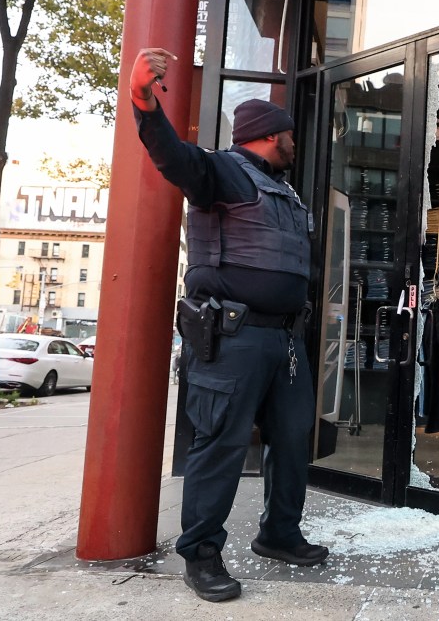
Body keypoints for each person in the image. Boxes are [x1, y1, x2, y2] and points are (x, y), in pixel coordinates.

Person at [129, 48, 327, 603]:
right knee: (220, 445)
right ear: (271, 134)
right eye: (289, 134)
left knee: (291, 439)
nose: (294, 143)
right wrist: (143, 98)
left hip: (284, 339)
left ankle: (279, 534)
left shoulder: (283, 189)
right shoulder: (218, 171)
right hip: (232, 338)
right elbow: (169, 156)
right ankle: (201, 554)